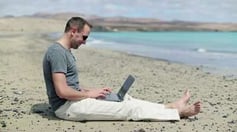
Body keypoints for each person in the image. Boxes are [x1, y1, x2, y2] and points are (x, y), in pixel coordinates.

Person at [43, 17, 201, 121]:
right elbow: (62, 92)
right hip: (68, 108)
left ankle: (170, 106)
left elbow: (70, 85)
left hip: (75, 101)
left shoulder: (64, 52)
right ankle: (178, 113)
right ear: (73, 32)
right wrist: (89, 94)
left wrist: (92, 91)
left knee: (126, 98)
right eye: (84, 37)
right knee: (128, 109)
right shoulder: (57, 52)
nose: (85, 42)